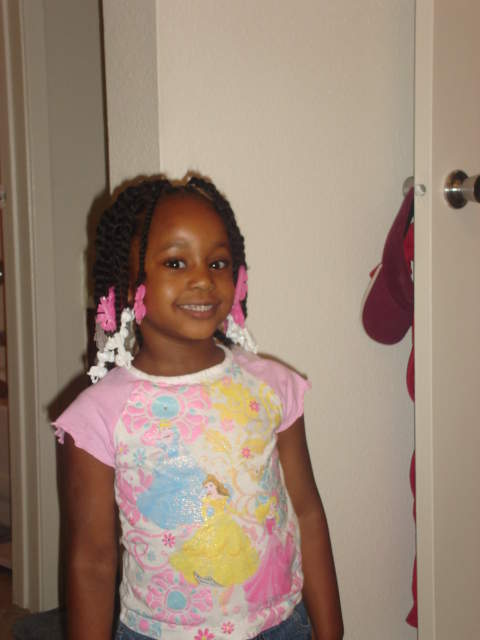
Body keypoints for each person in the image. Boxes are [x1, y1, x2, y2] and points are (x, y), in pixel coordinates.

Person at [54, 175, 343, 640]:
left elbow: (306, 511)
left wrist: (331, 630)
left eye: (217, 262)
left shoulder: (271, 387)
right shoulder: (99, 416)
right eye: (175, 262)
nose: (203, 279)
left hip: (282, 625)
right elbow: (92, 561)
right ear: (128, 284)